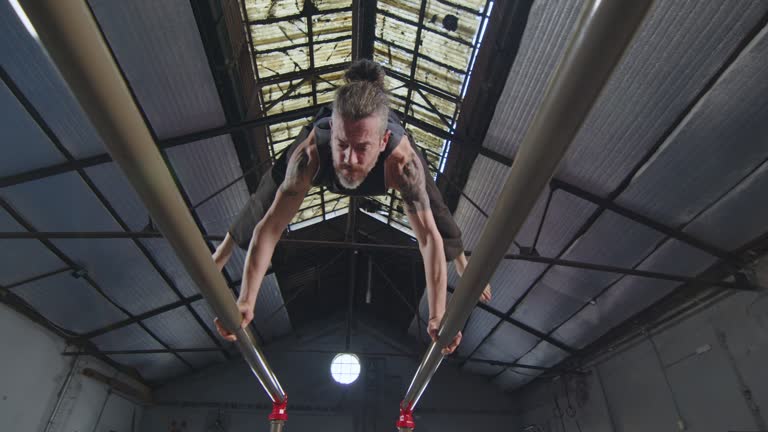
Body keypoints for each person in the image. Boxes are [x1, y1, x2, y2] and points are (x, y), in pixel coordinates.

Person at [212, 60, 491, 355]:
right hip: (329, 131)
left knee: (432, 199)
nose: (349, 159)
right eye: (342, 144)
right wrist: (246, 299)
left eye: (361, 149)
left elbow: (427, 238)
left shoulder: (402, 163)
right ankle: (223, 249)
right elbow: (269, 228)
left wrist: (437, 315)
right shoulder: (311, 155)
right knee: (275, 180)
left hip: (384, 130)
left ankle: (462, 258)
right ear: (333, 130)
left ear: (383, 143)